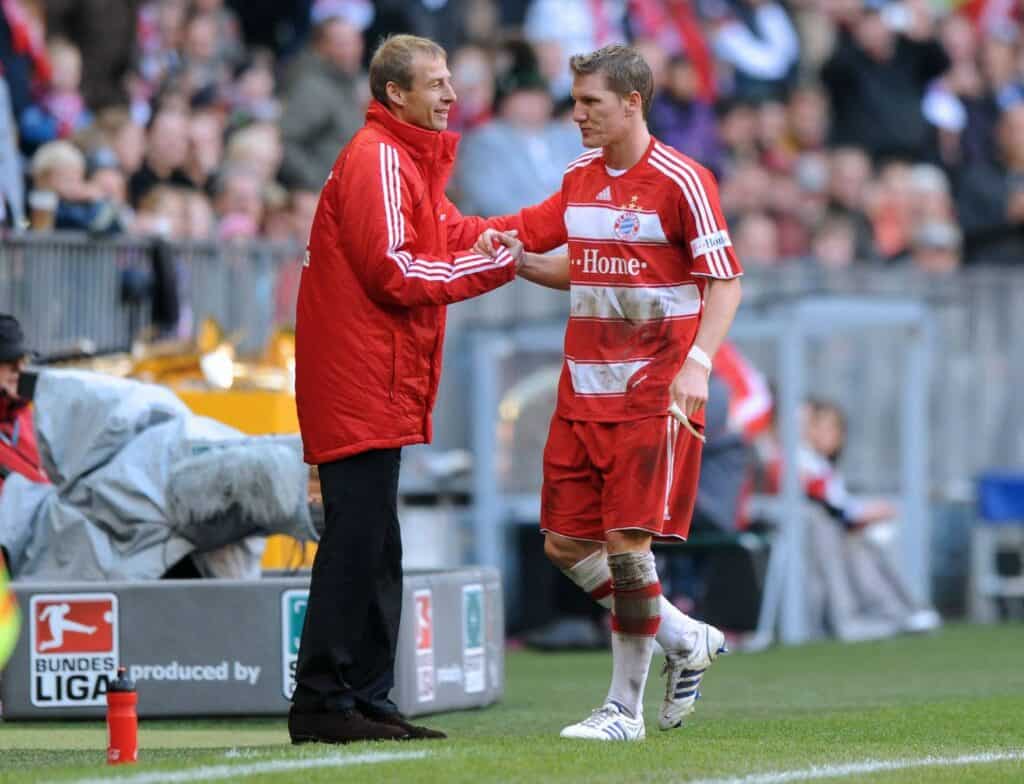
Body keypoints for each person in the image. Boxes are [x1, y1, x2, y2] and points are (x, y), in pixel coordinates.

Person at [479, 44, 743, 740]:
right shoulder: (576, 178)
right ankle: (684, 637)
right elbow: (577, 260)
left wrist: (700, 364)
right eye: (574, 102)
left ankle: (623, 710)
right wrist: (510, 256)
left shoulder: (683, 180)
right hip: (581, 388)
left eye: (590, 102)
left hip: (653, 387)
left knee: (628, 546)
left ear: (632, 103)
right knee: (565, 545)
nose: (577, 115)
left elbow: (726, 279)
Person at [291, 34, 521, 745]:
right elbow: (396, 272)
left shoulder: (404, 162)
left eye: (451, 80)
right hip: (357, 379)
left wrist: (532, 229)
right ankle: (324, 702)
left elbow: (452, 233)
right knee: (357, 544)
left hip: (373, 380)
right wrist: (500, 268)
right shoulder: (378, 159)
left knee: (376, 546)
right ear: (396, 93)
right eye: (437, 83)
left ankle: (363, 695)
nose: (452, 94)